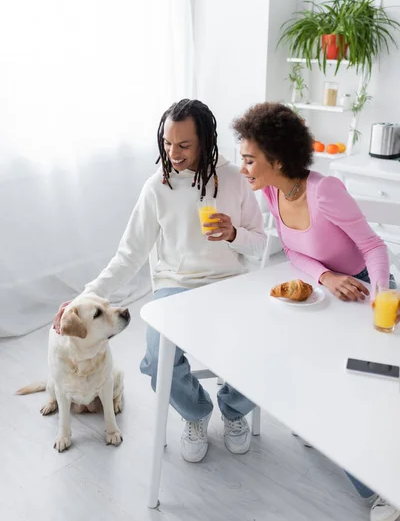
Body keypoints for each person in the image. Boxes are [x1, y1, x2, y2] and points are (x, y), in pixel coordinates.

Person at [54, 98, 267, 463]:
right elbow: (129, 256)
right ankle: (196, 414)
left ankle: (233, 411)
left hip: (229, 282)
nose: (173, 153)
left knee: (262, 344)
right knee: (155, 358)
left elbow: (260, 243)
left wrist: (233, 234)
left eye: (184, 145)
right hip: (176, 285)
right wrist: (84, 298)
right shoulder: (157, 187)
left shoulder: (233, 180)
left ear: (205, 141)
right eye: (167, 143)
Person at [233, 101, 399, 521]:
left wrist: (380, 295)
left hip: (368, 296)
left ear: (278, 158)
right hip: (329, 296)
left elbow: (375, 248)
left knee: (356, 394)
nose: (244, 168)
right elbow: (292, 250)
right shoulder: (272, 191)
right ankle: (324, 430)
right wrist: (326, 278)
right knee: (306, 372)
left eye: (250, 160)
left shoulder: (325, 192)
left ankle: (382, 489)